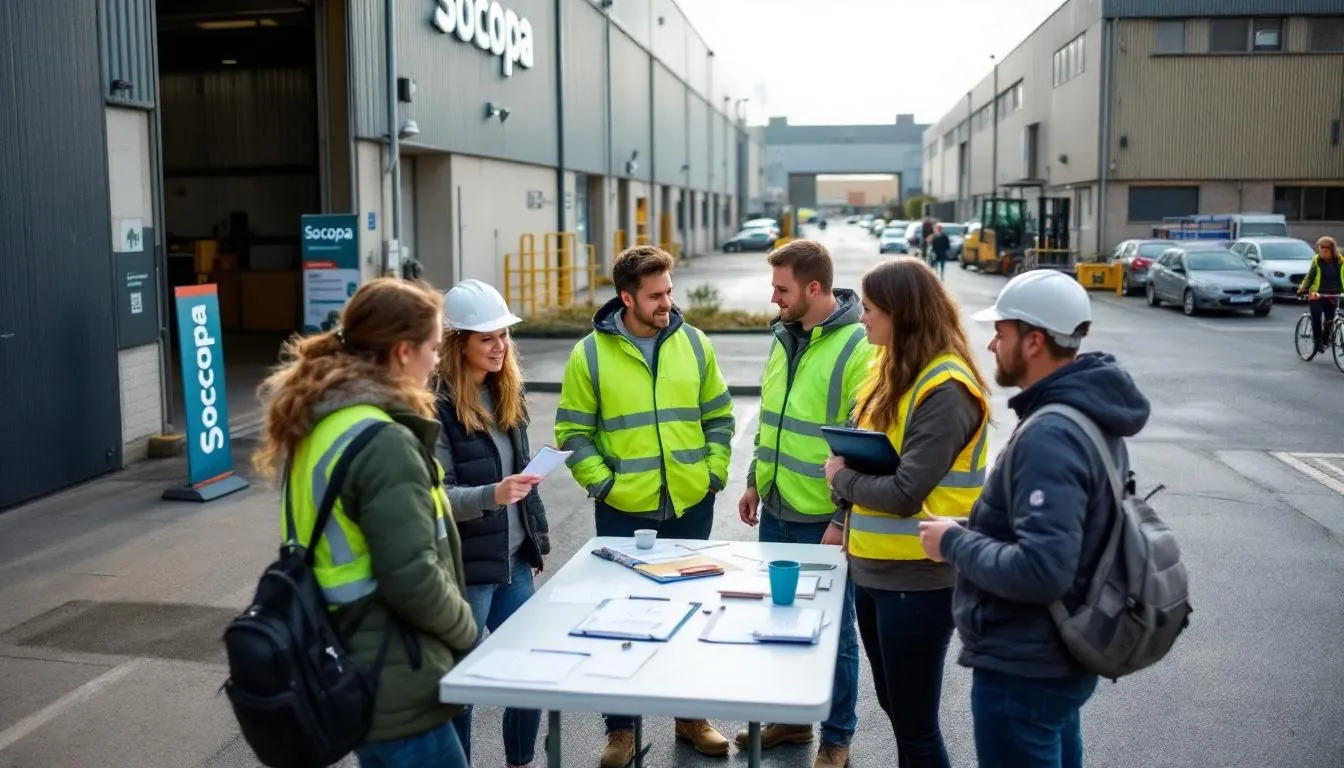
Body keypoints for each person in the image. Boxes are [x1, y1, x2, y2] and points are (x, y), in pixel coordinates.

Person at [917, 270, 1151, 768]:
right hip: (1054, 661)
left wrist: (954, 542)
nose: (992, 344)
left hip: (1026, 669)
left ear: (1034, 340)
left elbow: (1043, 570)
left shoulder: (1051, 434)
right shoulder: (1087, 413)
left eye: (1001, 333)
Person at [253, 278, 478, 768]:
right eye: (434, 348)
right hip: (394, 669)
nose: (437, 361)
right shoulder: (384, 441)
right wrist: (468, 631)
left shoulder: (322, 422)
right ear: (402, 352)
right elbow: (411, 576)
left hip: (349, 658)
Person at [554, 245, 736, 767]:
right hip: (622, 510)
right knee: (620, 623)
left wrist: (713, 473)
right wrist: (604, 485)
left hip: (689, 503)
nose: (667, 303)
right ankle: (621, 732)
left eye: (669, 292)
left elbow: (720, 418)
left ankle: (690, 717)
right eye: (656, 295)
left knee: (692, 610)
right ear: (626, 297)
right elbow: (572, 432)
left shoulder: (696, 344)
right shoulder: (589, 354)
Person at [823, 256, 991, 768]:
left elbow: (904, 491)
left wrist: (841, 478)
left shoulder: (945, 388)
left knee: (916, 728)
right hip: (876, 570)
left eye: (871, 309)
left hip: (917, 580)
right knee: (897, 709)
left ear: (904, 312)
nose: (862, 318)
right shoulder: (893, 370)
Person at [735, 240, 873, 768]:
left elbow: (864, 443)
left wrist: (842, 518)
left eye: (781, 289)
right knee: (782, 619)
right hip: (776, 506)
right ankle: (793, 724)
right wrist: (753, 479)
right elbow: (772, 416)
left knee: (835, 634)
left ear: (814, 289)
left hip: (824, 518)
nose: (773, 298)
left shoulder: (858, 348)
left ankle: (837, 739)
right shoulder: (784, 336)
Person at [435, 279, 551, 768]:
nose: (500, 346)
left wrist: (536, 542)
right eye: (487, 338)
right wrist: (492, 495)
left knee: (530, 673)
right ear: (457, 342)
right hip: (466, 571)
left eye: (503, 335)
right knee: (460, 687)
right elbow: (433, 495)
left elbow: (524, 477)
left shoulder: (507, 393)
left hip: (513, 562)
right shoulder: (437, 407)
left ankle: (519, 762)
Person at [1298, 236, 1343, 354]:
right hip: (1317, 293)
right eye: (1320, 248)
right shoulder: (1316, 260)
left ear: (1332, 250)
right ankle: (1317, 340)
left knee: (1330, 319)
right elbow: (1310, 276)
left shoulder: (1340, 261)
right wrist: (1302, 289)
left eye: (1325, 249)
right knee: (1316, 317)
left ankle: (1325, 340)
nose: (1322, 251)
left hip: (1334, 293)